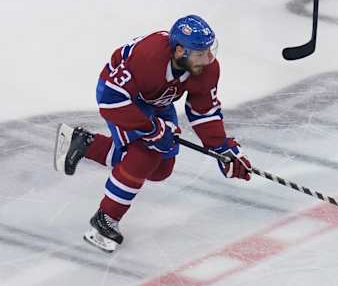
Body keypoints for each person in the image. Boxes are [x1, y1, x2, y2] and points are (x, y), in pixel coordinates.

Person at [53, 15, 252, 253]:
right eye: (200, 53)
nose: (208, 58)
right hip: (123, 99)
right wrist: (151, 129)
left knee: (160, 170)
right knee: (145, 155)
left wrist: (222, 148)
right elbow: (110, 100)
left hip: (158, 101)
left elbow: (204, 111)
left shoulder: (206, 68)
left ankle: (86, 144)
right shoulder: (148, 57)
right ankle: (104, 219)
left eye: (209, 50)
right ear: (180, 51)